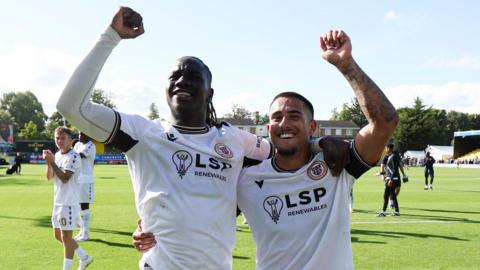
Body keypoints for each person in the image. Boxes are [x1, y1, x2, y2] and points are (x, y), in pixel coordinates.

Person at [57, 7, 348, 269]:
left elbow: (282, 147)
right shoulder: (143, 133)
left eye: (194, 78)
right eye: (175, 77)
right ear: (166, 90)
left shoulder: (235, 140)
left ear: (209, 94)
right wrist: (111, 36)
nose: (182, 81)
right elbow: (71, 106)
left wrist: (317, 143)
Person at [134, 30, 399, 269]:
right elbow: (198, 209)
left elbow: (385, 122)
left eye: (294, 116)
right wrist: (150, 229)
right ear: (267, 128)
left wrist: (345, 65)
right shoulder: (246, 180)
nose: (284, 123)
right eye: (276, 118)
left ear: (312, 126)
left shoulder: (337, 165)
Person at [43, 127, 93, 270]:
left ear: (71, 140)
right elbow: (49, 177)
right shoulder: (57, 155)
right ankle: (84, 257)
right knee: (58, 236)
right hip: (58, 201)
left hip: (69, 202)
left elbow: (65, 178)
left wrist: (52, 162)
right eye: (57, 138)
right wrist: (49, 162)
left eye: (63, 138)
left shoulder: (74, 156)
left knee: (66, 238)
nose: (59, 141)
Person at [73, 132, 97, 241]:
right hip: (77, 178)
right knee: (78, 206)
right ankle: (81, 232)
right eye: (79, 134)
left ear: (88, 135)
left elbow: (78, 155)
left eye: (82, 134)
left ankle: (86, 233)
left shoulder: (91, 146)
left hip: (86, 179)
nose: (79, 136)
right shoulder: (77, 145)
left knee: (84, 206)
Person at [378, 143, 408, 217]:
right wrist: (404, 174)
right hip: (394, 177)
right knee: (392, 195)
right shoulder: (396, 156)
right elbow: (399, 166)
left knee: (386, 195)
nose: (385, 149)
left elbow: (392, 169)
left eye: (386, 148)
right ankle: (396, 211)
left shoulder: (390, 157)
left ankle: (383, 212)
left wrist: (389, 179)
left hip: (391, 178)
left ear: (389, 148)